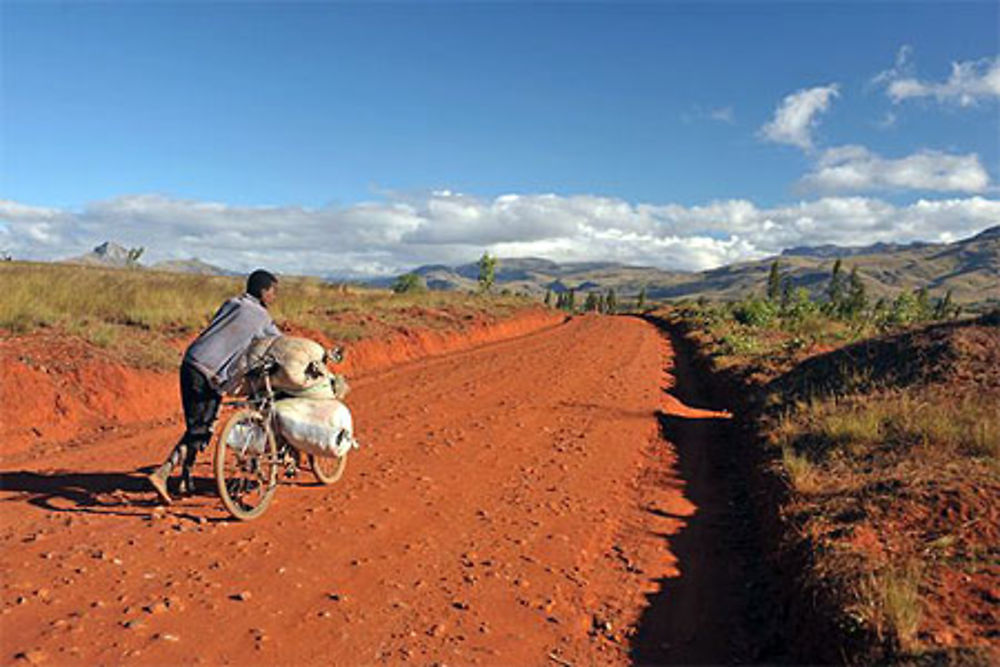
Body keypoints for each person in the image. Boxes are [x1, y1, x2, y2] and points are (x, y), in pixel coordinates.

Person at [147, 269, 281, 503]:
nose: (274, 296)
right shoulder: (260, 316)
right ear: (263, 291)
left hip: (190, 362)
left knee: (195, 426)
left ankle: (184, 479)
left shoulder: (231, 303)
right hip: (209, 373)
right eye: (273, 291)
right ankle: (163, 473)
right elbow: (279, 342)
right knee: (202, 429)